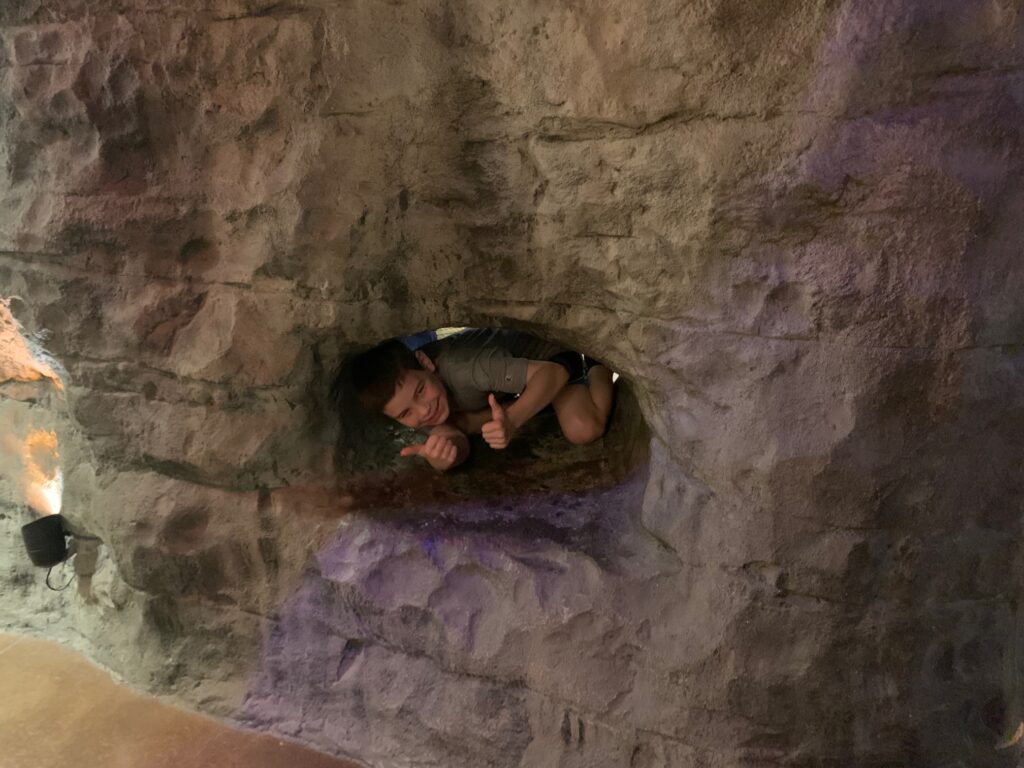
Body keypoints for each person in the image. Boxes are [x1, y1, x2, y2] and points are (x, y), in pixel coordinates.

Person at [346, 329, 614, 471]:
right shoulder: (420, 410)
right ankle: (533, 405)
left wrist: (514, 419)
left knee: (584, 429)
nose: (424, 409)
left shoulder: (465, 369)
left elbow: (553, 372)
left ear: (425, 362)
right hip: (507, 386)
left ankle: (597, 362)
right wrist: (443, 458)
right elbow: (454, 436)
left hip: (548, 358)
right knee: (462, 421)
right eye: (405, 414)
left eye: (420, 392)